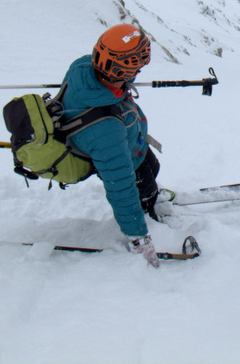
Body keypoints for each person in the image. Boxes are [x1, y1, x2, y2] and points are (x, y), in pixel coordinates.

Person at [60, 23, 163, 267]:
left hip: (133, 143)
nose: (139, 72)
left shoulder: (82, 68)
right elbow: (120, 186)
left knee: (153, 167)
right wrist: (139, 236)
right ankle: (148, 206)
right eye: (136, 67)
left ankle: (150, 196)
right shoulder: (106, 132)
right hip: (127, 158)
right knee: (143, 186)